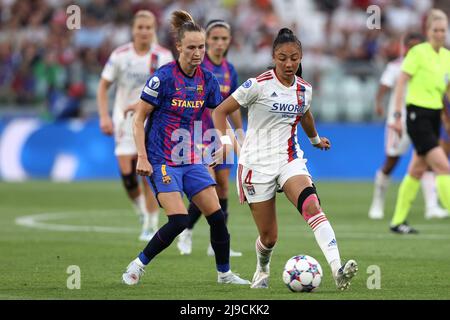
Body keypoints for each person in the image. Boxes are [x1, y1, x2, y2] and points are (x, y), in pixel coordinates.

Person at [212, 28, 358, 290]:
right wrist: (225, 144)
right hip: (255, 164)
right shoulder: (257, 85)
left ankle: (337, 268)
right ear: (273, 57)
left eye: (294, 58)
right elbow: (220, 112)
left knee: (312, 205)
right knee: (269, 237)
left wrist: (315, 140)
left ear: (301, 57)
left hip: (289, 159)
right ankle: (262, 268)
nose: (289, 64)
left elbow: (305, 115)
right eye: (282, 58)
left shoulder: (304, 90)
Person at [121, 10, 250, 286]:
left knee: (217, 216)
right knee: (179, 220)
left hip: (189, 156)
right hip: (161, 159)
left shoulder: (207, 80)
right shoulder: (163, 78)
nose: (198, 52)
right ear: (178, 47)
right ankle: (137, 264)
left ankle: (224, 274)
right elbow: (139, 118)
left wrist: (227, 143)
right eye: (191, 47)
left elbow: (220, 114)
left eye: (201, 47)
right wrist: (142, 157)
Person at [97, 10, 173, 241]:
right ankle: (141, 210)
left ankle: (150, 223)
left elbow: (170, 89)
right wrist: (104, 117)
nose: (144, 31)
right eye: (140, 27)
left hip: (152, 120)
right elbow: (103, 87)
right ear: (133, 29)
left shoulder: (163, 56)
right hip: (124, 119)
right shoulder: (120, 55)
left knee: (145, 171)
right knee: (127, 174)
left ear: (154, 30)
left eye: (148, 27)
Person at [177, 19, 244, 257]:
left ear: (229, 42)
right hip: (198, 134)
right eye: (214, 38)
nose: (219, 43)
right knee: (209, 185)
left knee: (224, 187)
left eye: (223, 39)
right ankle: (186, 230)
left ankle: (216, 242)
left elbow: (233, 105)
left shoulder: (229, 69)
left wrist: (239, 132)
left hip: (221, 134)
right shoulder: (198, 66)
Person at [368, 32, 448, 220]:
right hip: (399, 122)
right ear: (404, 48)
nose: (413, 50)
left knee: (427, 161)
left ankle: (432, 207)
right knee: (391, 162)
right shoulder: (396, 67)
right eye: (409, 46)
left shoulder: (430, 65)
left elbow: (440, 91)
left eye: (416, 46)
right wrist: (379, 104)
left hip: (423, 121)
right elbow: (384, 87)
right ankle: (377, 203)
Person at [390, 9, 450, 234]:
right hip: (417, 116)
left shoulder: (447, 57)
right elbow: (401, 84)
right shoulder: (417, 53)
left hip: (434, 116)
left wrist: (446, 116)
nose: (440, 34)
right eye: (436, 30)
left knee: (417, 169)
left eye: (443, 30)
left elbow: (446, 90)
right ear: (428, 31)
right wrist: (397, 116)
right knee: (443, 166)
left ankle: (397, 222)